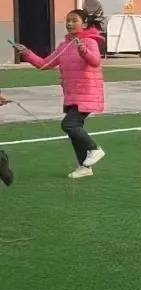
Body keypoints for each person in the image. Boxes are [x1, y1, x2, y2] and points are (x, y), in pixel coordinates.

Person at [15, 9, 107, 179]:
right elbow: (45, 64)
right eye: (68, 20)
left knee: (69, 125)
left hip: (87, 93)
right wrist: (27, 53)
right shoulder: (64, 46)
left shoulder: (90, 42)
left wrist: (83, 50)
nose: (69, 24)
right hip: (71, 94)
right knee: (74, 130)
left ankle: (94, 149)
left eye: (74, 20)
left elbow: (95, 61)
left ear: (84, 24)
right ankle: (84, 167)